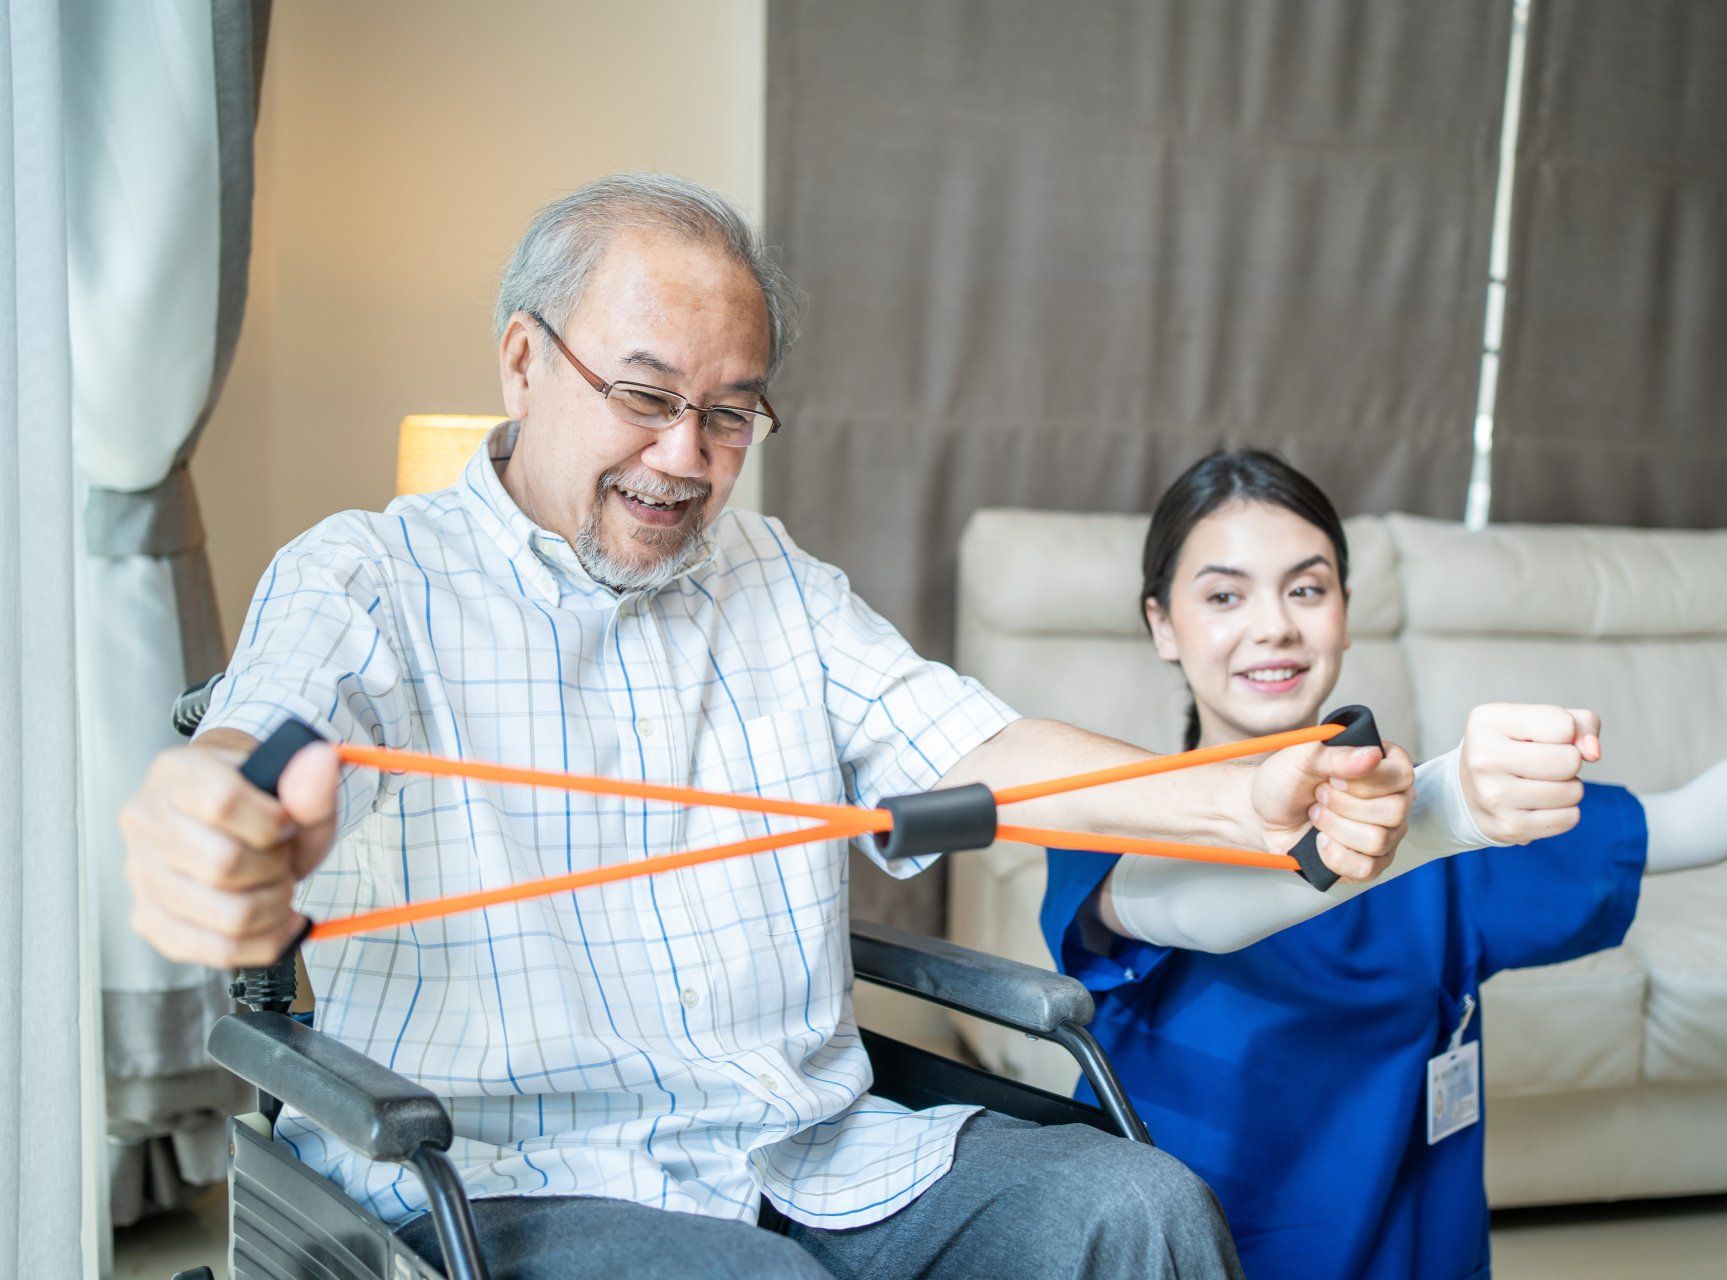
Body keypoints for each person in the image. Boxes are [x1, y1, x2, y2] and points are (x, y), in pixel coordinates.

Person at [114, 175, 1435, 1280]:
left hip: (814, 1152)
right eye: (644, 396)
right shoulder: (364, 578)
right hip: (504, 1183)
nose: (686, 458)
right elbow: (247, 759)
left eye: (731, 412)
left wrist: (1242, 796)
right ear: (523, 361)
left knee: (1140, 1213)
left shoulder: (780, 585)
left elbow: (973, 751)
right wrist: (213, 827)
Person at [1040, 448, 1727, 1280]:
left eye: (1307, 588)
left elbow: (1698, 824)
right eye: (1225, 597)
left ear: (1345, 607)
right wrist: (1439, 810)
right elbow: (1187, 910)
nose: (1274, 626)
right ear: (1163, 624)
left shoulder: (1453, 829)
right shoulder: (1111, 814)